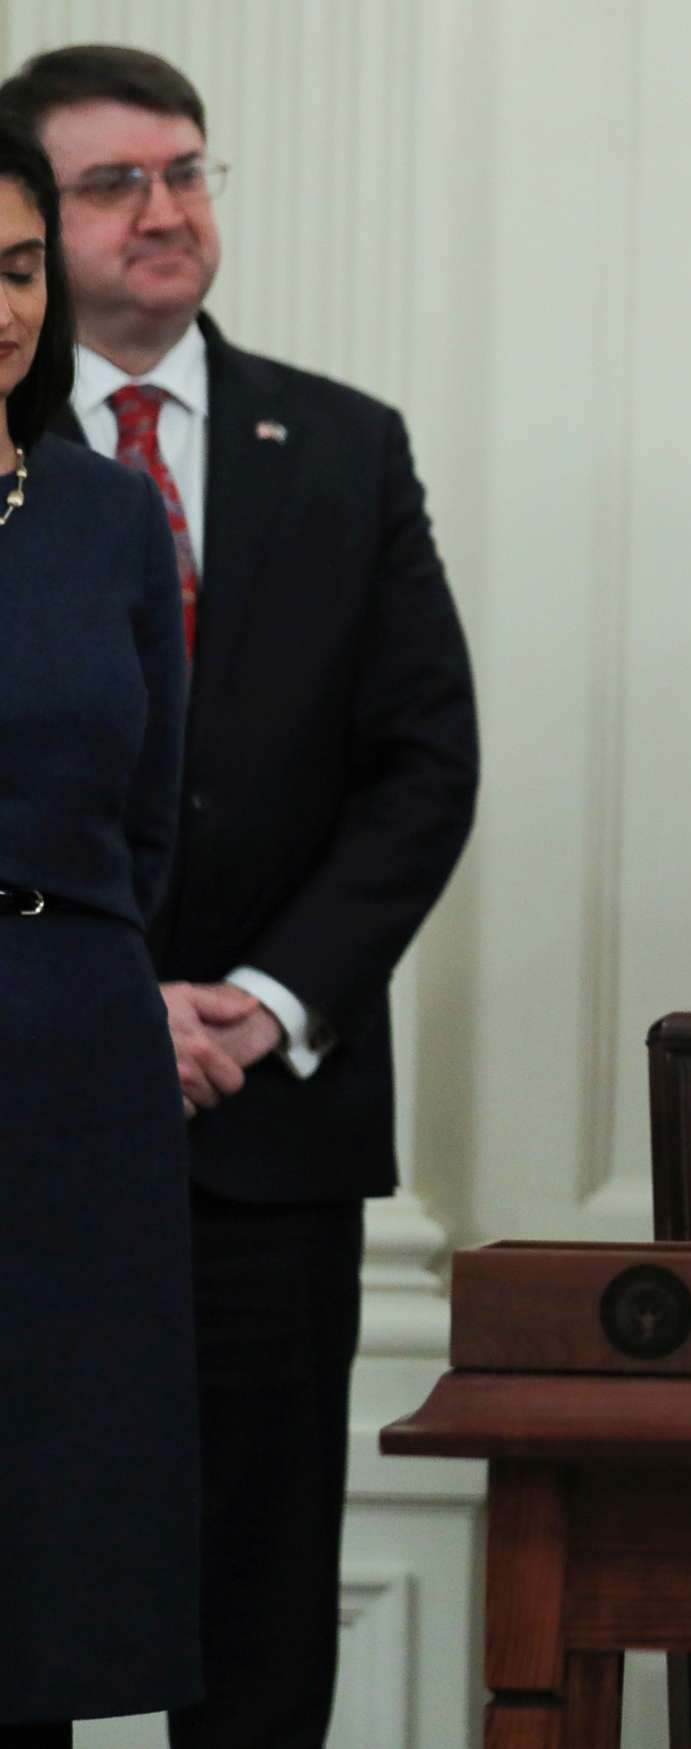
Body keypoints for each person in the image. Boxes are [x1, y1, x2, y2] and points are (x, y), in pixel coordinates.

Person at [0, 46, 479, 1749]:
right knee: (19, 1574)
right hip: (38, 1082)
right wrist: (102, 993)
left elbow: (426, 763)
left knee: (265, 1590)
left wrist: (259, 1004)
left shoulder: (343, 443)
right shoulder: (13, 451)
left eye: (187, 171)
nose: (165, 211)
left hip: (269, 1112)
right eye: (113, 183)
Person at [0, 110, 198, 1748]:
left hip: (69, 1041)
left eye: (12, 269)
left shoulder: (106, 513)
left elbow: (149, 817)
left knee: (46, 1554)